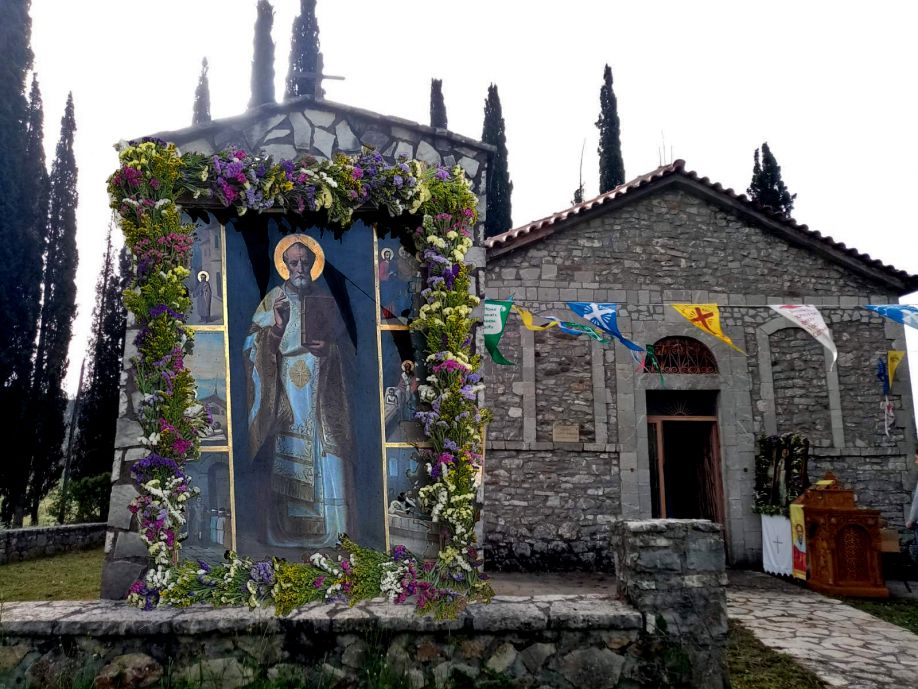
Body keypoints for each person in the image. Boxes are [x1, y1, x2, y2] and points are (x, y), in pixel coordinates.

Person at [244, 236, 354, 549]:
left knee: (327, 453)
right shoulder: (273, 300)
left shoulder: (325, 300)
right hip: (287, 393)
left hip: (322, 393)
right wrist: (277, 329)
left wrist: (329, 349)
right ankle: (287, 533)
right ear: (284, 265)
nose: (300, 267)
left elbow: (349, 349)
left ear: (313, 264)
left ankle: (333, 532)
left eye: (305, 262)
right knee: (286, 453)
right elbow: (250, 348)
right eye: (293, 262)